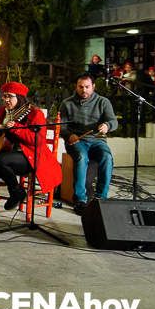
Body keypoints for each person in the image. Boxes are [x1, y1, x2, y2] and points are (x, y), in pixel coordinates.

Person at [0, 82, 62, 217]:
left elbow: (38, 140)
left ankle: (16, 192)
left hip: (28, 157)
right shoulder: (2, 112)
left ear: (20, 97)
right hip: (5, 156)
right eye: (4, 97)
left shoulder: (35, 113)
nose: (6, 100)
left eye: (9, 96)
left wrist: (15, 127)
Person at [58, 73, 117, 215]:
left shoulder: (103, 102)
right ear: (76, 87)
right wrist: (69, 135)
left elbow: (114, 122)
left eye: (87, 87)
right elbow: (61, 127)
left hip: (97, 140)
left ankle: (100, 198)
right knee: (81, 157)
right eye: (81, 87)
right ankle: (80, 199)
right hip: (77, 140)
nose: (84, 90)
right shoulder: (67, 103)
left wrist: (107, 126)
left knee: (107, 158)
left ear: (93, 87)